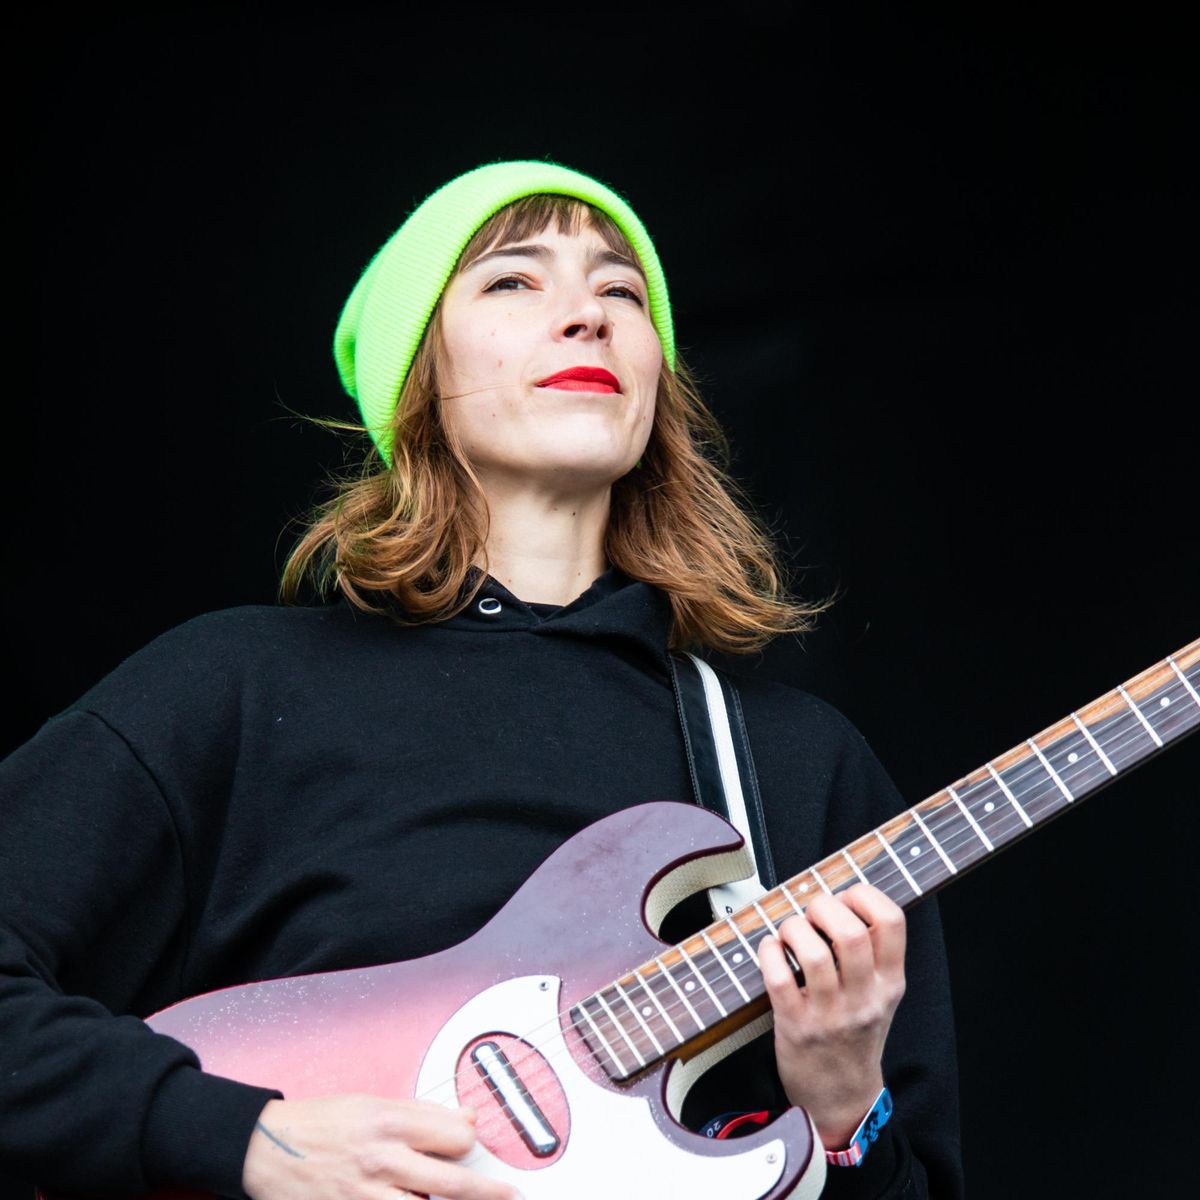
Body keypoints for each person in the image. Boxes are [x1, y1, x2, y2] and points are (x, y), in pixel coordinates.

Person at [0, 160, 962, 1199]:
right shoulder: (234, 691)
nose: (588, 315)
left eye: (622, 290)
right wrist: (243, 1139)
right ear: (419, 373)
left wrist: (843, 1112)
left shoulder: (793, 766)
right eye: (514, 280)